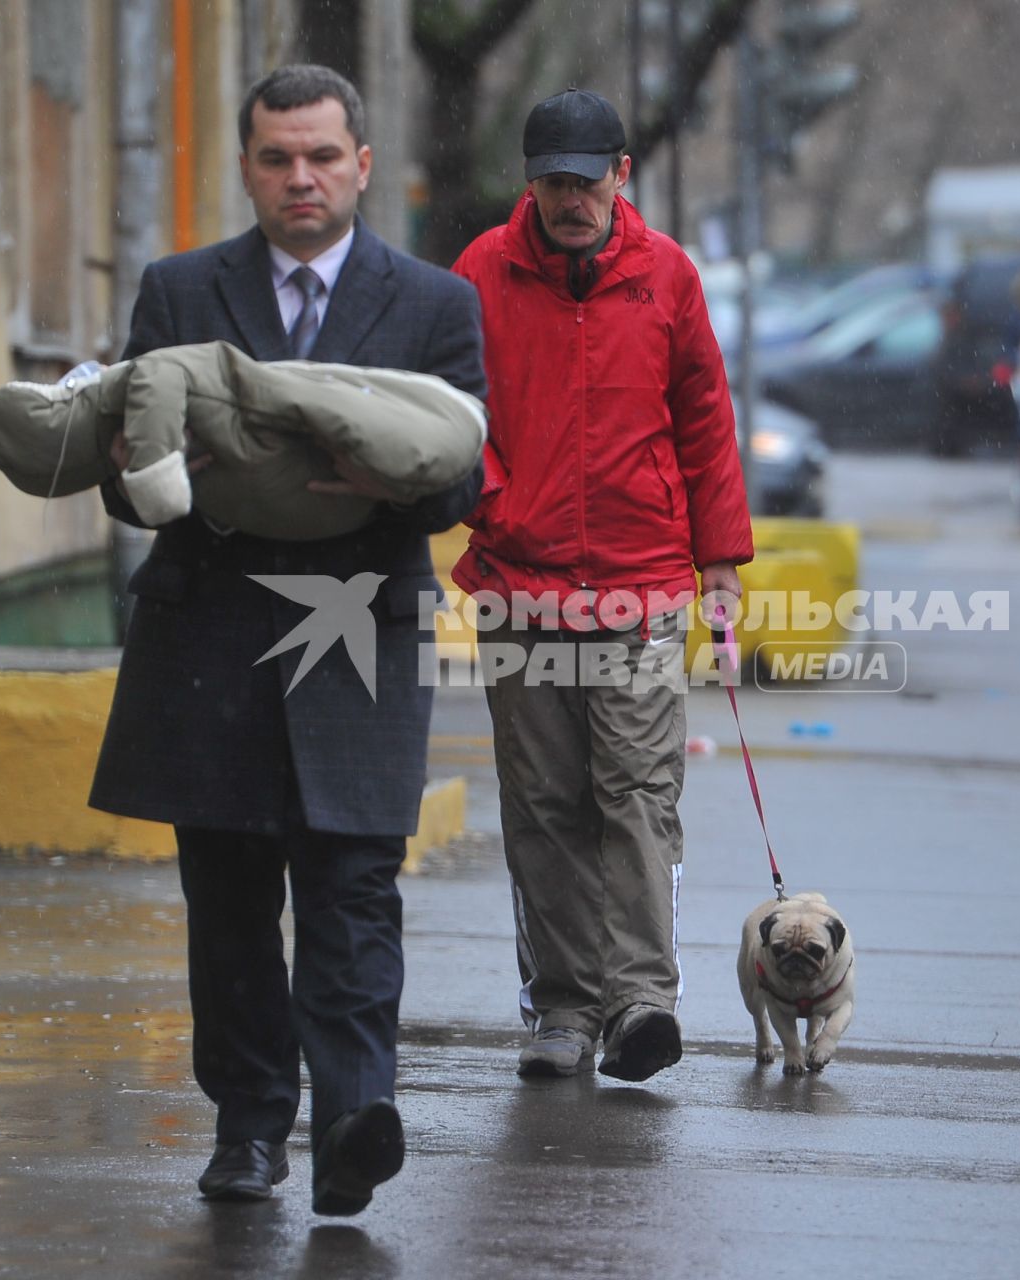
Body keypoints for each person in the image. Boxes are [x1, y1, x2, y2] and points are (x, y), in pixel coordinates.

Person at [87, 64, 486, 1211]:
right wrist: (143, 479)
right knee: (228, 896)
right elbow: (129, 481)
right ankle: (250, 1126)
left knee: (354, 885)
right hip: (208, 625)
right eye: (277, 158)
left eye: (321, 156)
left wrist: (378, 483)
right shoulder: (178, 290)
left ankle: (355, 1116)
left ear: (362, 162)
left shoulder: (432, 305)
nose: (300, 177)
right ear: (249, 167)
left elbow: (462, 480)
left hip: (360, 625)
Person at [449, 89, 753, 1082]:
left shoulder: (665, 277)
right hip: (520, 581)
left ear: (622, 175)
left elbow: (705, 421)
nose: (572, 199)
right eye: (554, 183)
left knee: (635, 792)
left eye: (589, 181)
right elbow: (454, 415)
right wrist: (492, 500)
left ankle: (640, 1002)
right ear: (528, 184)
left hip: (641, 581)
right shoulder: (482, 276)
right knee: (542, 801)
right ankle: (564, 1010)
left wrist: (720, 562)